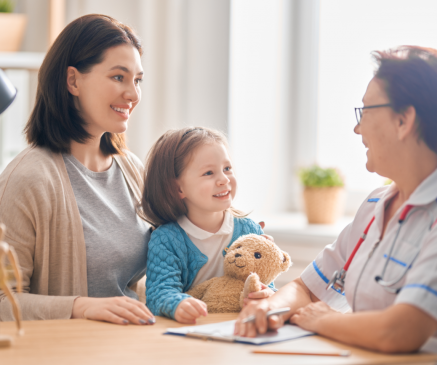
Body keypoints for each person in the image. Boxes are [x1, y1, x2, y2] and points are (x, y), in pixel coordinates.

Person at [235, 46, 437, 365]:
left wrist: (323, 320)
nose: (357, 128)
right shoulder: (376, 204)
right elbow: (307, 289)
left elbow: (401, 331)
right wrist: (269, 307)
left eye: (365, 111)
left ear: (404, 121)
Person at [0, 14, 155, 325]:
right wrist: (80, 307)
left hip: (135, 345)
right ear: (73, 81)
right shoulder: (26, 180)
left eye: (137, 80)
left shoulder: (132, 169)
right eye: (118, 77)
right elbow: (4, 302)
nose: (133, 94)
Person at [142, 127, 275, 324]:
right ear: (178, 188)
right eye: (209, 173)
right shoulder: (166, 240)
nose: (224, 179)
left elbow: (269, 286)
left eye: (227, 168)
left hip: (239, 329)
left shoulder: (250, 230)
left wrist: (267, 296)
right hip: (191, 332)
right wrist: (178, 304)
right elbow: (159, 293)